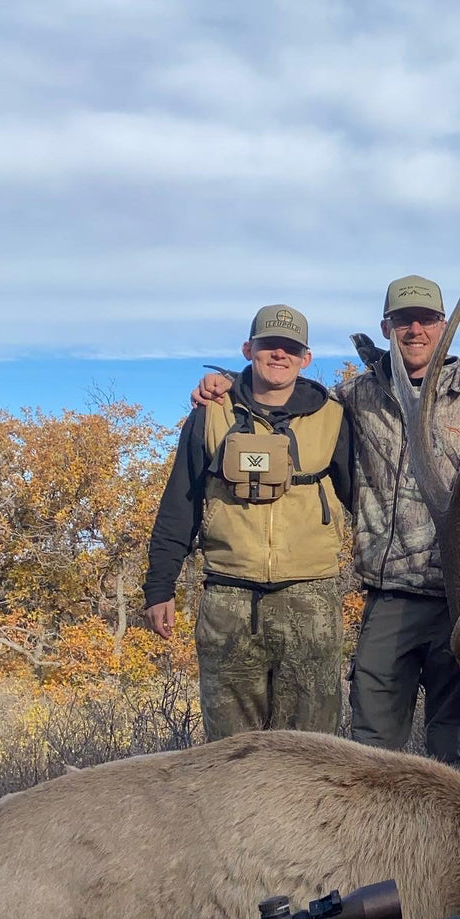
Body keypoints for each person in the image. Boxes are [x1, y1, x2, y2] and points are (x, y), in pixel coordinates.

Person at [145, 304, 355, 741]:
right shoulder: (211, 411)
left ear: (305, 358)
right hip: (229, 599)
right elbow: (179, 505)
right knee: (230, 753)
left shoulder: (334, 416)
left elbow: (361, 501)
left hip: (311, 599)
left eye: (290, 348)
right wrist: (159, 588)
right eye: (268, 346)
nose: (279, 355)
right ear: (248, 349)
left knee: (310, 752)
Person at [338, 277, 460, 773]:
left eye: (426, 319)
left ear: (444, 325)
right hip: (389, 596)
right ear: (385, 327)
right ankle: (370, 851)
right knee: (372, 750)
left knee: (451, 749)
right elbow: (287, 405)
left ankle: (452, 852)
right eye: (403, 320)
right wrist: (227, 388)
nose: (415, 329)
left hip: (456, 600)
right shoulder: (355, 397)